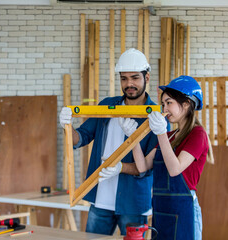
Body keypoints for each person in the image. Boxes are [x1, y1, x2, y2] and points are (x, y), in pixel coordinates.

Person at [59, 48, 168, 236]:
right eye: (124, 78)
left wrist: (120, 167)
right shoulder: (106, 106)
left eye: (135, 77)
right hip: (100, 198)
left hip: (133, 202)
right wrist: (67, 125)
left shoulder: (156, 117)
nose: (129, 84)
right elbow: (81, 137)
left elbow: (148, 167)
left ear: (147, 77)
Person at [121, 75, 214, 239]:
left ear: (186, 104)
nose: (164, 109)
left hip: (184, 210)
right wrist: (133, 138)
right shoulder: (170, 135)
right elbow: (143, 167)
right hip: (162, 210)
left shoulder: (197, 134)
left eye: (169, 103)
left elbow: (175, 169)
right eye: (163, 104)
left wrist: (161, 133)